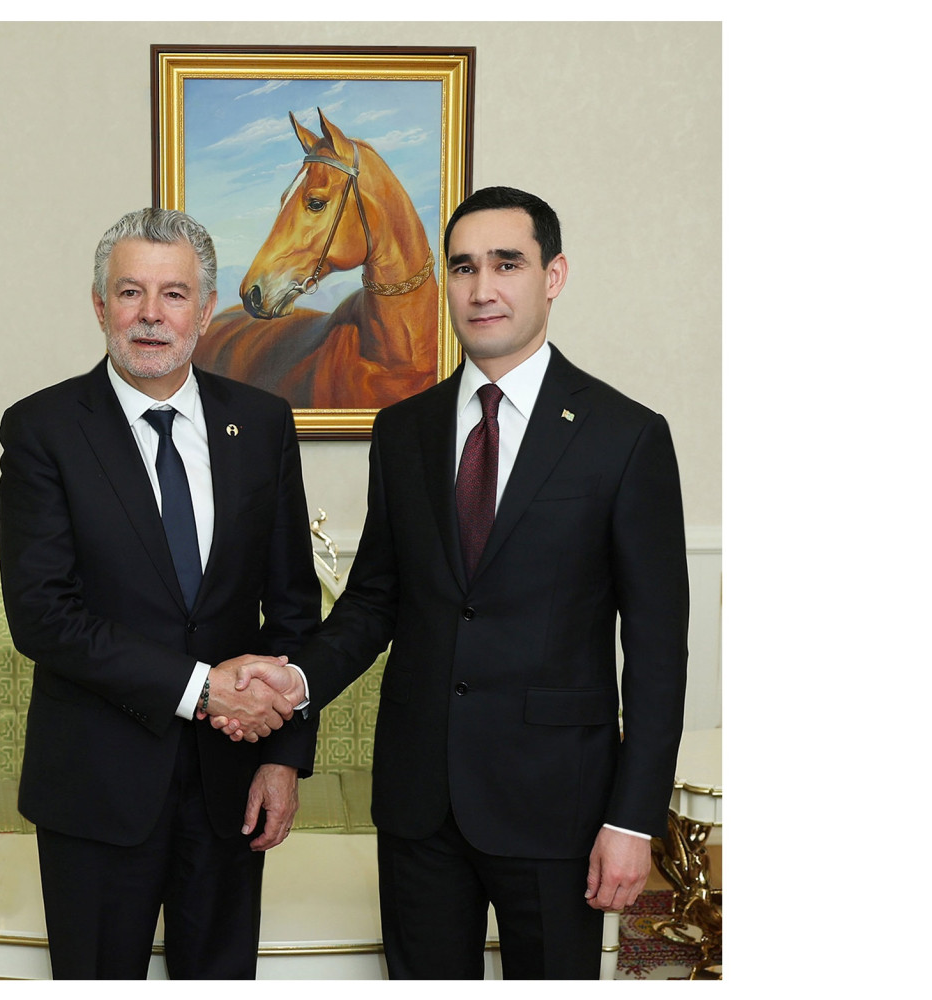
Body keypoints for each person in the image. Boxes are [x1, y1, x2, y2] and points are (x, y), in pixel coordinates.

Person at [219, 186, 690, 979]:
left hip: (558, 806)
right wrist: (295, 682)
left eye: (507, 264)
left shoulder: (626, 436)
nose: (482, 288)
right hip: (420, 803)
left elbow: (656, 652)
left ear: (553, 276)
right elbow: (374, 601)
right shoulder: (405, 429)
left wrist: (634, 820)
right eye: (464, 267)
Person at [0, 207, 322, 979]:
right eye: (130, 292)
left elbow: (293, 607)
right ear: (99, 305)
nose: (151, 314)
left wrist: (283, 759)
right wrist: (201, 689)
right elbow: (43, 615)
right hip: (96, 790)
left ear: (205, 310)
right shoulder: (42, 429)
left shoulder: (263, 424)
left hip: (231, 786)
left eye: (173, 294)